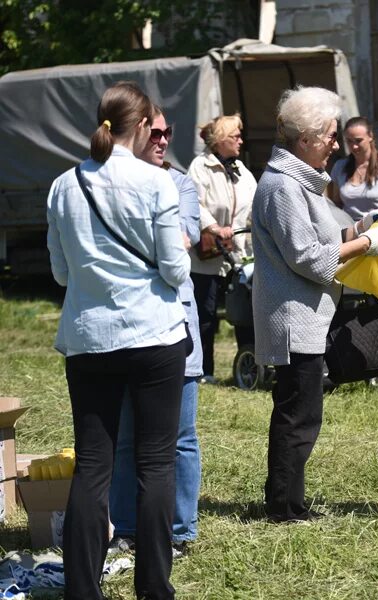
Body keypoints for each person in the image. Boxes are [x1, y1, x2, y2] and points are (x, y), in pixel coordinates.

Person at [46, 81, 189, 600]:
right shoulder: (156, 183)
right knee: (155, 464)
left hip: (89, 338)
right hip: (154, 334)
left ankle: (81, 591)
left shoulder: (64, 185)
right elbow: (175, 268)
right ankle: (154, 588)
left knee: (92, 467)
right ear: (146, 125)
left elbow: (61, 273)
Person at [252, 86, 378, 523]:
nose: (336, 144)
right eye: (331, 136)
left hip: (305, 317)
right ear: (306, 139)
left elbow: (320, 242)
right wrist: (366, 243)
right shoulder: (282, 187)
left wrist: (362, 227)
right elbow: (308, 258)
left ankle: (289, 502)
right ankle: (283, 508)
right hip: (293, 319)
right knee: (298, 417)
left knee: (302, 414)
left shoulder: (297, 182)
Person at [109, 105, 203, 558]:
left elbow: (186, 238)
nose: (163, 141)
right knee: (127, 437)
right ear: (138, 132)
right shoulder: (113, 181)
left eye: (169, 132)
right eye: (156, 133)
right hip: (127, 326)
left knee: (181, 436)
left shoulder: (181, 182)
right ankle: (127, 528)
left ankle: (181, 531)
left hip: (177, 324)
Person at [187, 113, 256, 384]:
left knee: (244, 311)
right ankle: (204, 371)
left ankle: (247, 365)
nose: (241, 140)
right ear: (220, 140)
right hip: (208, 256)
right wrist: (215, 227)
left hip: (239, 254)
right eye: (235, 136)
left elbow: (255, 203)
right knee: (205, 314)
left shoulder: (241, 170)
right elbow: (193, 203)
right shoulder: (200, 167)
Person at [329, 116, 378, 221]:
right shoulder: (339, 167)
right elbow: (336, 205)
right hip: (350, 230)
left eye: (358, 140)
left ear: (370, 136)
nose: (354, 146)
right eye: (349, 141)